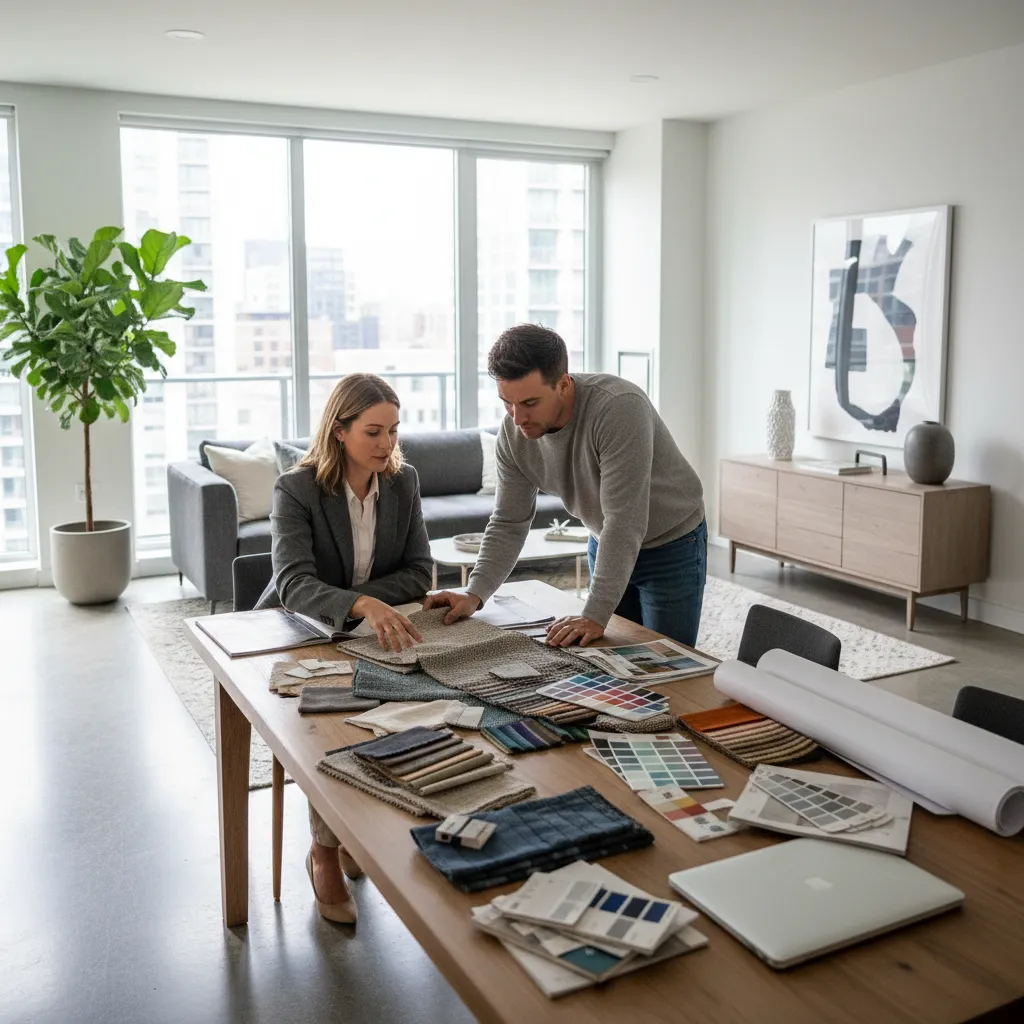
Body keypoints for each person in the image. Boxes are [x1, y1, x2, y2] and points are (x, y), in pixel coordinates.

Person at [257, 373, 429, 923]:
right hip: (298, 629)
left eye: (394, 431)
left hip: (365, 630)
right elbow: (295, 586)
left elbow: (419, 573)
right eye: (374, 431)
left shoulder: (404, 483)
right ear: (339, 431)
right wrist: (360, 605)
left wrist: (359, 604)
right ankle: (324, 851)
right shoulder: (297, 489)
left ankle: (353, 829)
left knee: (407, 709)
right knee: (329, 721)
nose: (387, 444)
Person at [425, 324, 706, 648]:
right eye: (507, 403)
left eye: (530, 403)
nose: (518, 418)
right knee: (609, 656)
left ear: (563, 384)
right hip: (605, 539)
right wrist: (474, 594)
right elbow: (509, 521)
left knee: (668, 662)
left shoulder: (619, 408)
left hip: (671, 544)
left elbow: (625, 520)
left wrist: (595, 613)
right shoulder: (514, 435)